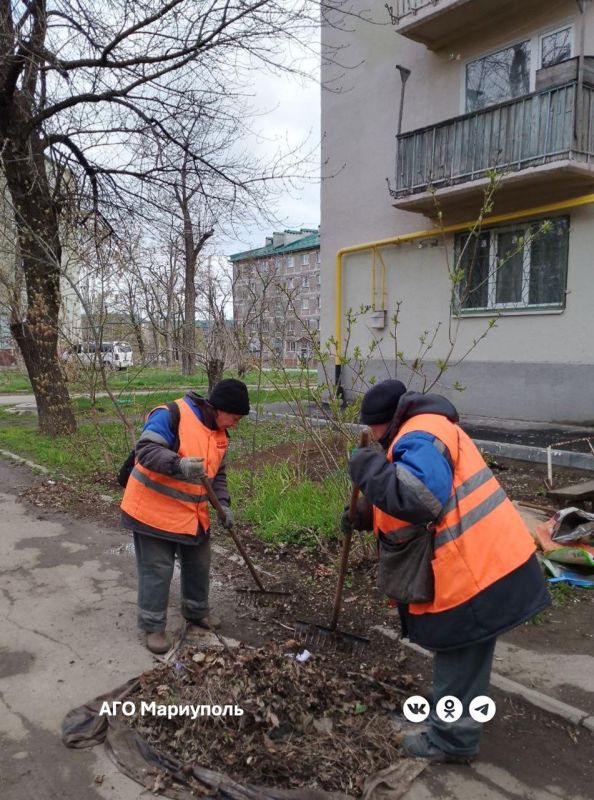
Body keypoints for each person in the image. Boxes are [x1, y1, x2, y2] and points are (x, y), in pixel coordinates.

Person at [343, 379, 550, 763]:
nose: (371, 433)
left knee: (459, 649)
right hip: (485, 560)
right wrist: (367, 513)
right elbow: (416, 489)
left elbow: (418, 498)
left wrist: (368, 469)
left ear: (387, 420)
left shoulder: (420, 435)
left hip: (476, 568)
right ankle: (452, 713)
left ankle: (451, 741)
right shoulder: (420, 431)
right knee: (464, 654)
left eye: (372, 426)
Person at [121, 378, 250, 654]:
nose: (236, 424)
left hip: (192, 514)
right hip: (152, 511)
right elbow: (146, 450)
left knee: (199, 563)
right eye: (235, 418)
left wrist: (223, 505)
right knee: (158, 569)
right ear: (220, 408)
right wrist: (179, 464)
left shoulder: (220, 435)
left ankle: (196, 611)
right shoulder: (171, 415)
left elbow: (218, 475)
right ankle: (153, 626)